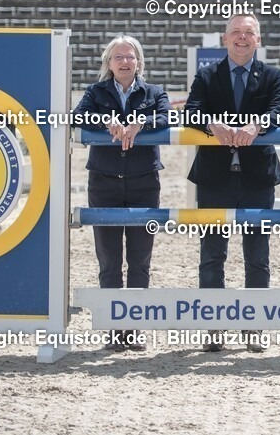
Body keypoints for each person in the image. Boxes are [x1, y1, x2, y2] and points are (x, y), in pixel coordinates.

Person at [184, 13, 280, 353]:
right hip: (214, 177)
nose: (242, 38)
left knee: (257, 255)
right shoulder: (206, 74)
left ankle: (254, 326)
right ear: (225, 39)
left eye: (249, 33)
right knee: (212, 254)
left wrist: (256, 126)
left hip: (258, 177)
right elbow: (191, 111)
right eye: (236, 32)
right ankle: (213, 326)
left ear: (258, 40)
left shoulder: (272, 75)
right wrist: (213, 125)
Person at [72, 35, 171, 352]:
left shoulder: (154, 92)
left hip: (144, 182)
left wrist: (141, 122)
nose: (125, 61)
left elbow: (169, 117)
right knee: (109, 260)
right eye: (118, 57)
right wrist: (106, 120)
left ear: (139, 62)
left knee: (140, 260)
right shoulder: (95, 92)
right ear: (108, 62)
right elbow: (78, 116)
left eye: (130, 56)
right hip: (104, 183)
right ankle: (115, 329)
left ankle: (135, 326)